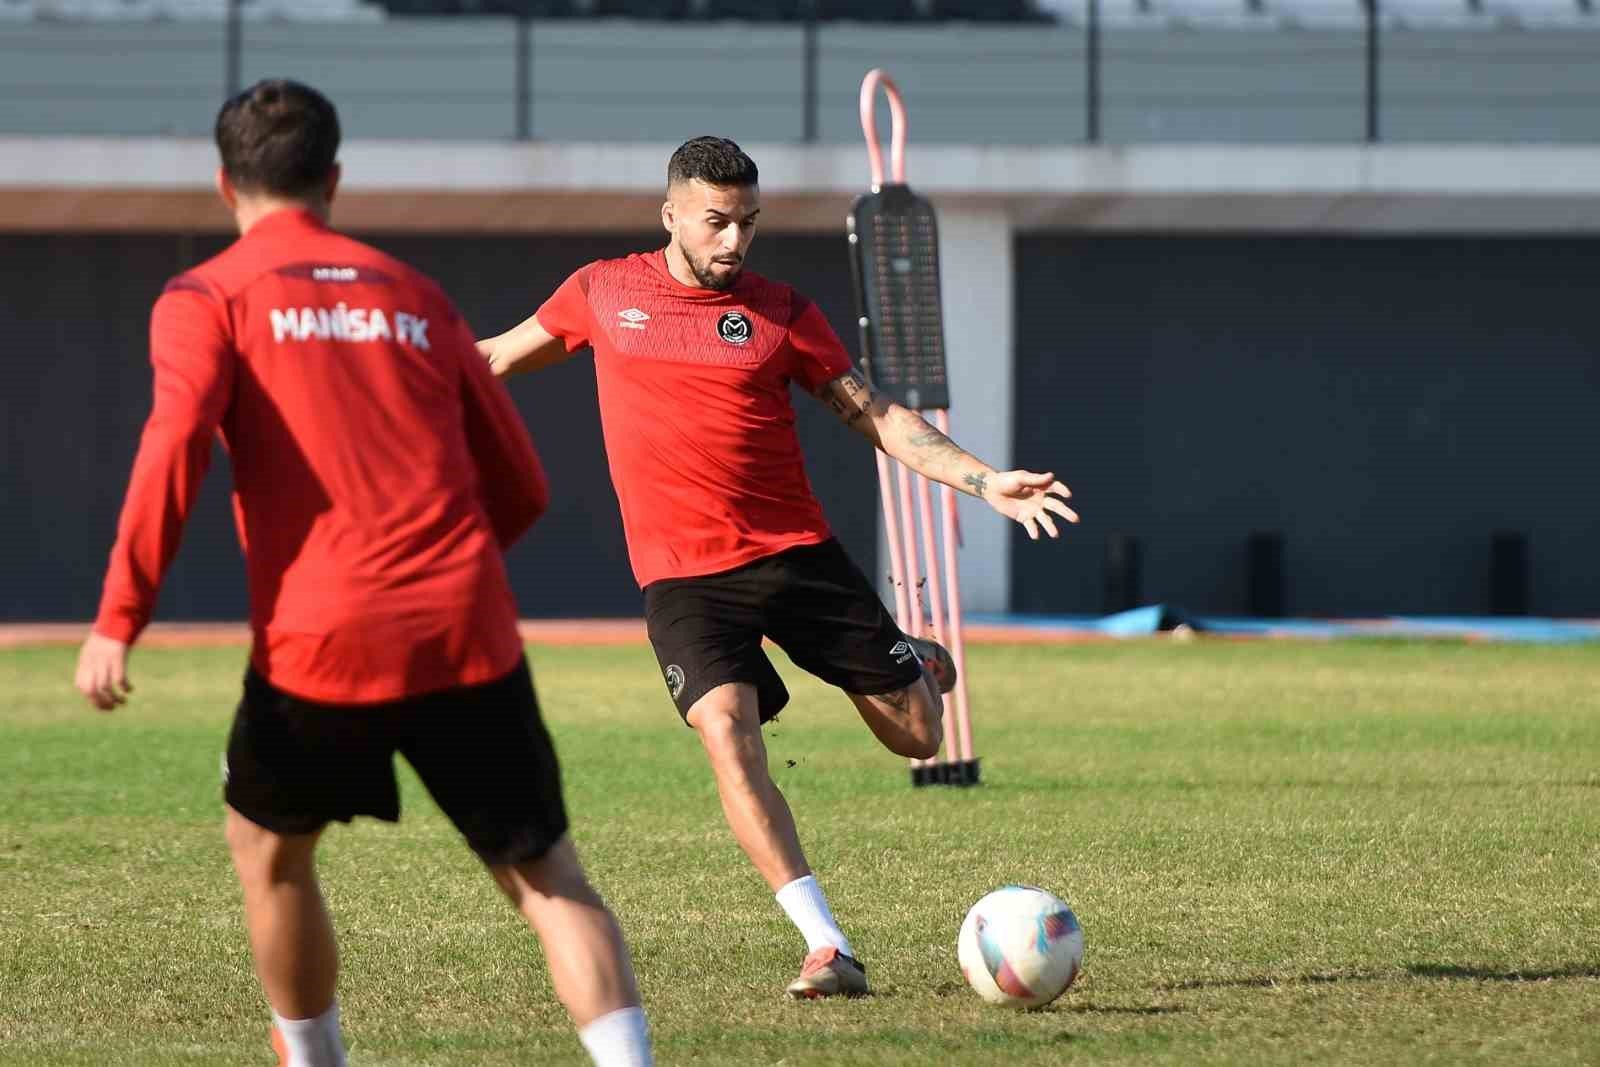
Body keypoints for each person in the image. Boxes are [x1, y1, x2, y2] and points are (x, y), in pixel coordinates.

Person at [72, 80, 654, 1067]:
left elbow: (174, 444)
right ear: (334, 179)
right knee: (546, 873)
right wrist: (441, 573)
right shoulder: (415, 296)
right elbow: (520, 482)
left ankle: (313, 1055)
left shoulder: (207, 296)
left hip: (319, 644)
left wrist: (118, 617)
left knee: (269, 851)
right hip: (465, 627)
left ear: (224, 183)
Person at [476, 136, 1078, 999]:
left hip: (796, 556)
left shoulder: (782, 312)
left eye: (748, 224)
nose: (733, 241)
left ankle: (913, 659)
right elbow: (493, 356)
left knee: (918, 733)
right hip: (682, 577)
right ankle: (827, 945)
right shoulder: (602, 291)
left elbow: (877, 416)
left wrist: (985, 480)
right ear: (671, 214)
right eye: (716, 222)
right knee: (727, 732)